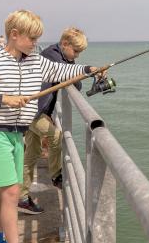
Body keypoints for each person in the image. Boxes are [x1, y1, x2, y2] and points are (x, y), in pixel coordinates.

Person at [0, 10, 99, 243]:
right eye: (32, 39)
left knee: (6, 192)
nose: (36, 44)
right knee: (12, 192)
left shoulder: (36, 61)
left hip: (18, 134)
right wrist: (4, 98)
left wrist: (87, 70)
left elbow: (61, 70)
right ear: (15, 35)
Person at [18, 27, 91, 214]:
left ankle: (23, 198)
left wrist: (73, 62)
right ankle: (56, 175)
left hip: (38, 111)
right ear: (64, 44)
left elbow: (77, 83)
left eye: (79, 53)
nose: (77, 56)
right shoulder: (52, 55)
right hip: (32, 111)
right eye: (75, 51)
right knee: (56, 136)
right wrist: (74, 67)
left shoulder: (62, 57)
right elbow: (73, 79)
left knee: (31, 155)